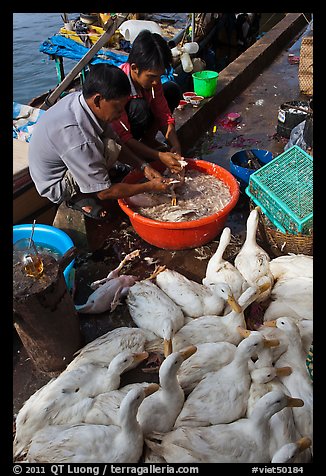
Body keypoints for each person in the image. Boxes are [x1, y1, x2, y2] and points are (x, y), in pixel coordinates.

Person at [28, 63, 182, 221]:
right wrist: (149, 186)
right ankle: (78, 197)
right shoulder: (78, 137)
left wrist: (143, 167)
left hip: (66, 158)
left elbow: (116, 141)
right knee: (106, 157)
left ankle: (94, 177)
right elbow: (105, 193)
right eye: (118, 108)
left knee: (111, 146)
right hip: (57, 184)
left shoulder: (80, 101)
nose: (122, 113)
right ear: (98, 100)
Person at [111, 29, 183, 165]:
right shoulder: (118, 87)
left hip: (138, 122)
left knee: (171, 89)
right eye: (152, 77)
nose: (156, 82)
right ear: (134, 68)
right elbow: (123, 136)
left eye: (159, 76)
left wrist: (176, 144)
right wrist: (159, 156)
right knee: (139, 107)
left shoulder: (153, 82)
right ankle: (137, 152)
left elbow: (163, 114)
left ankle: (148, 141)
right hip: (122, 136)